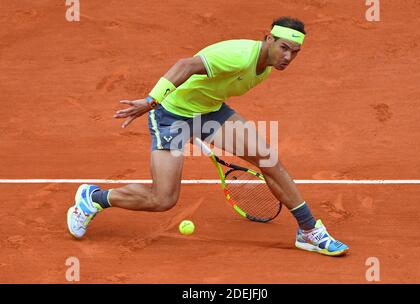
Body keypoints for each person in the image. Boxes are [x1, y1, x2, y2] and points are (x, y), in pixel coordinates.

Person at [67, 16, 349, 256]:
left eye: (295, 52)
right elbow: (185, 65)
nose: (288, 57)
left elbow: (212, 89)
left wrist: (198, 124)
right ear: (268, 39)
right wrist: (151, 101)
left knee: (268, 160)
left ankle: (309, 230)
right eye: (284, 47)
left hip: (208, 113)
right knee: (163, 199)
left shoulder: (266, 67)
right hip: (171, 115)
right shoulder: (238, 55)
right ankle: (94, 198)